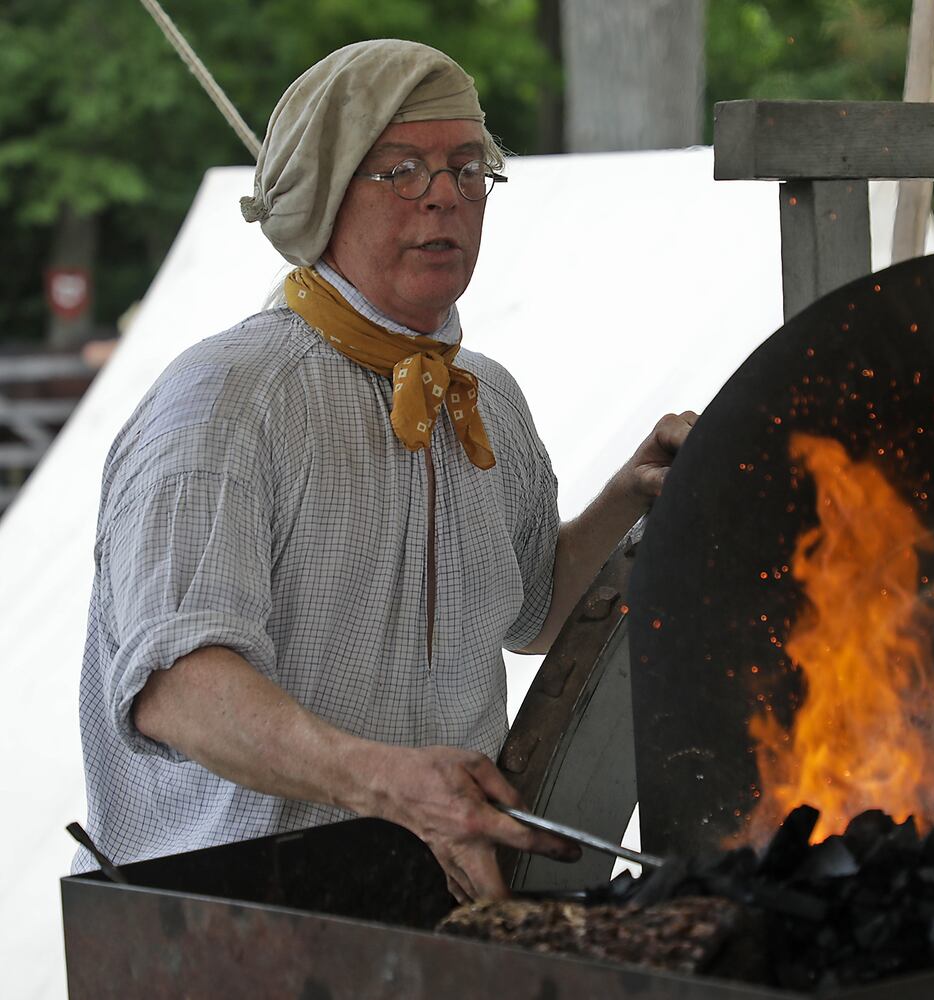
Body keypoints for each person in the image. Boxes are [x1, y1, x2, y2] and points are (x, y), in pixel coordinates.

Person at [76, 38, 695, 903]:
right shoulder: (225, 401)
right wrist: (387, 783)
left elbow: (534, 613)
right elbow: (177, 690)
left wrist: (630, 498)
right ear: (322, 194)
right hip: (216, 909)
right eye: (400, 169)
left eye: (467, 169)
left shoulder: (492, 401)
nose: (443, 193)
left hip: (432, 890)